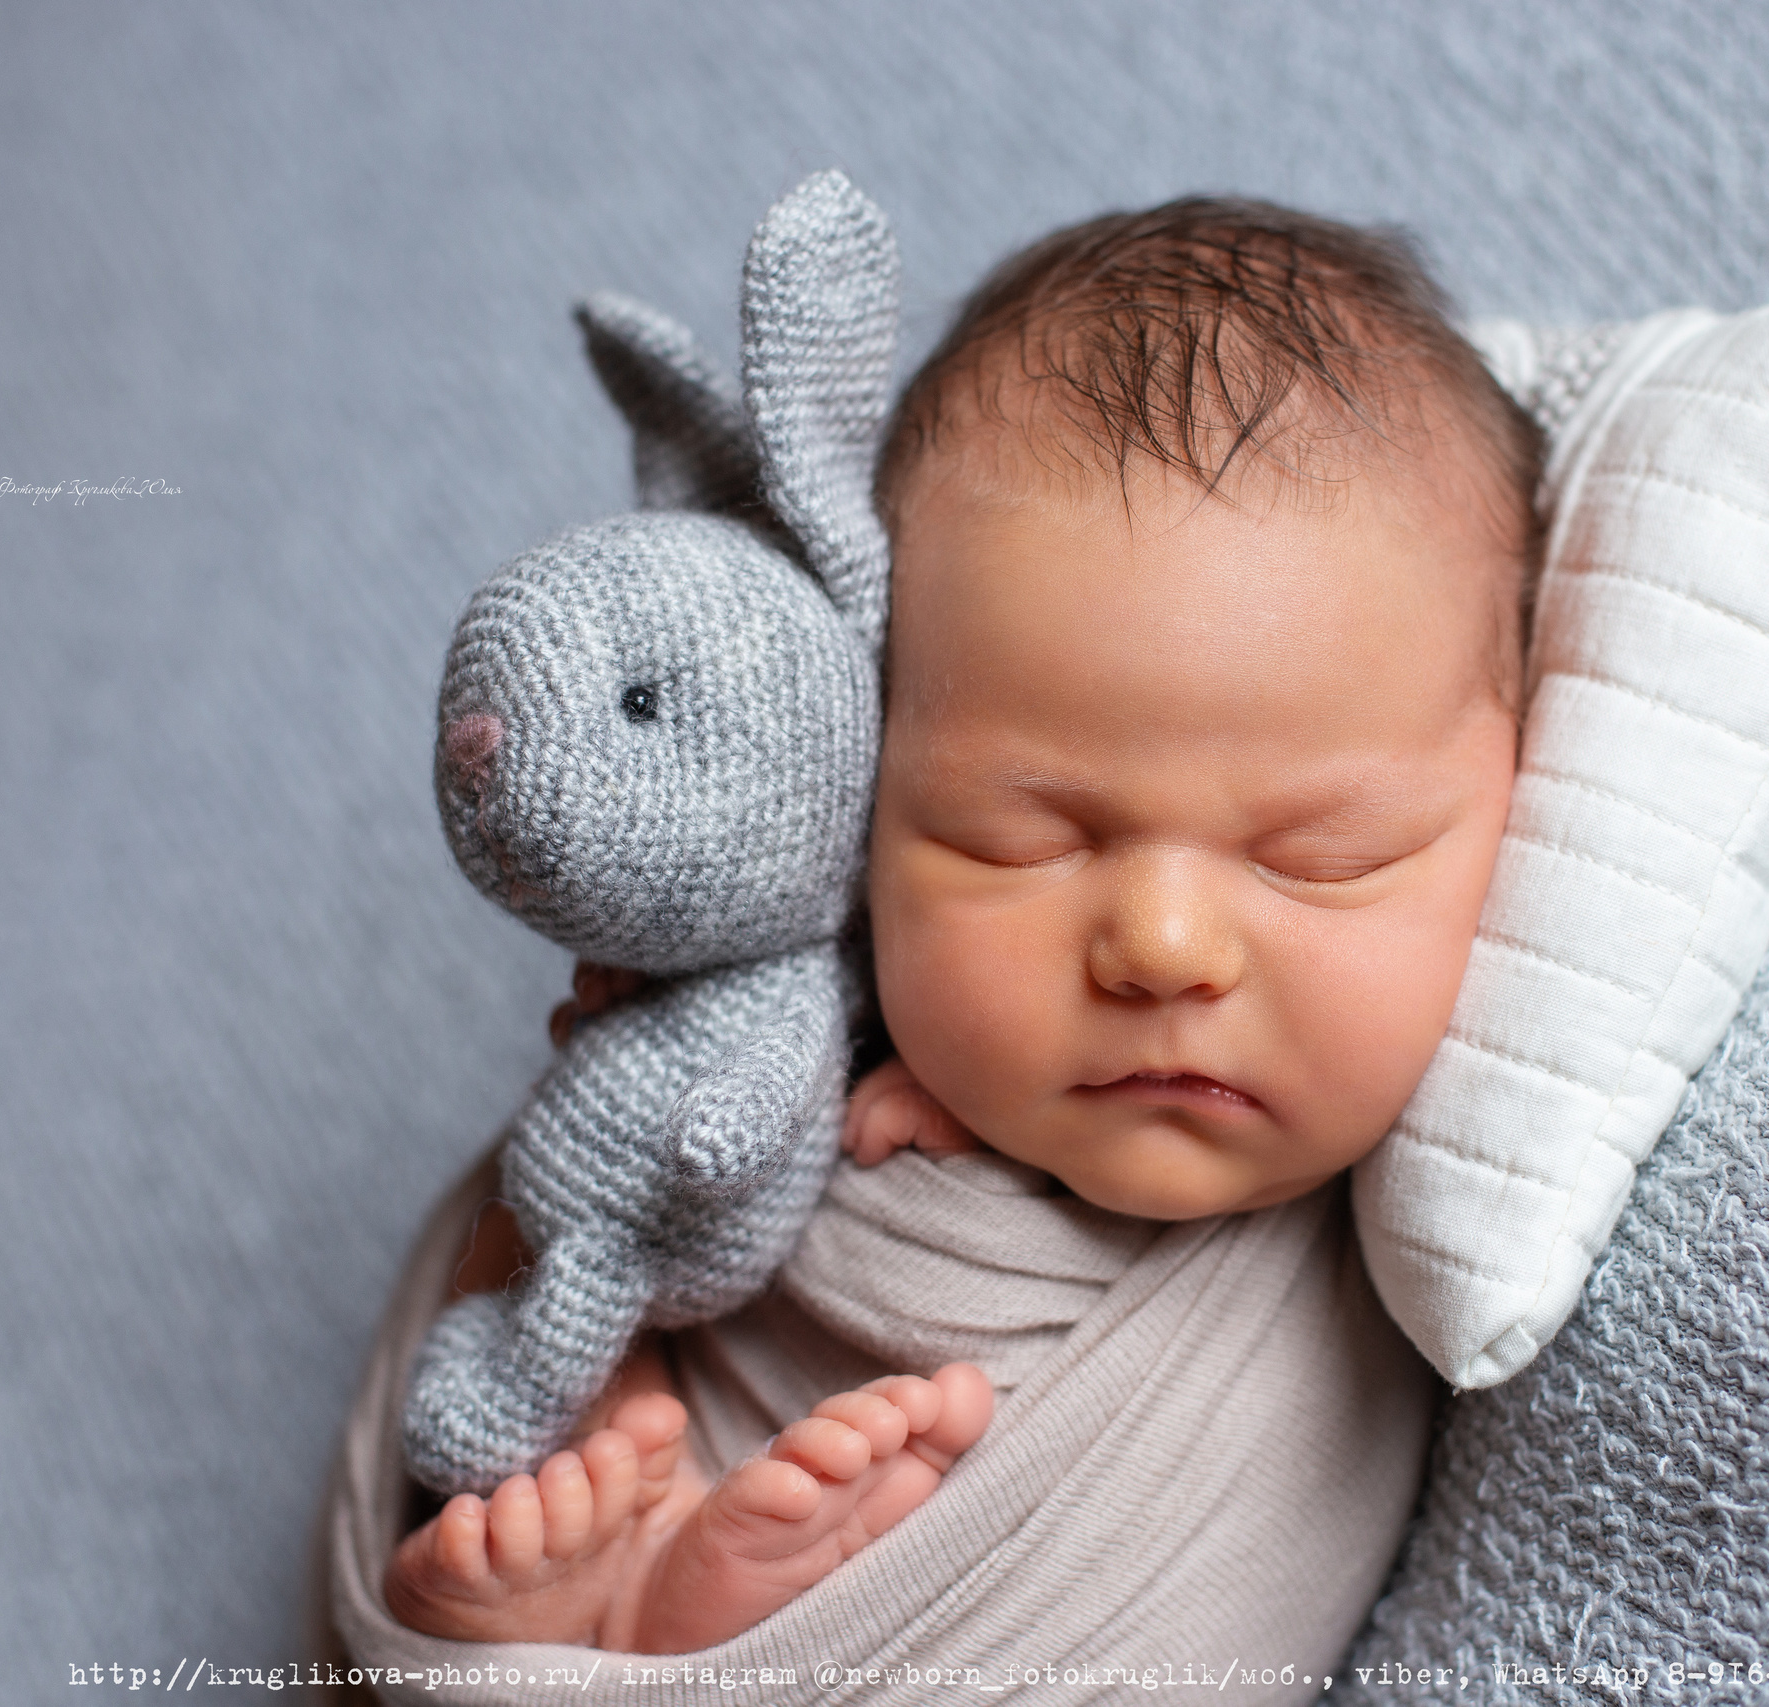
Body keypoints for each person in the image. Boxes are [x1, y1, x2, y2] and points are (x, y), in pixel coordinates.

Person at [378, 195, 1542, 1653]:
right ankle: (611, 1585)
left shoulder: (1480, 1178)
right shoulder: (789, 1049)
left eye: (1319, 856)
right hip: (673, 1476)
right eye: (1022, 838)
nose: (1166, 944)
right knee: (561, 1364)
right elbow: (555, 1240)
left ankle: (672, 1624)